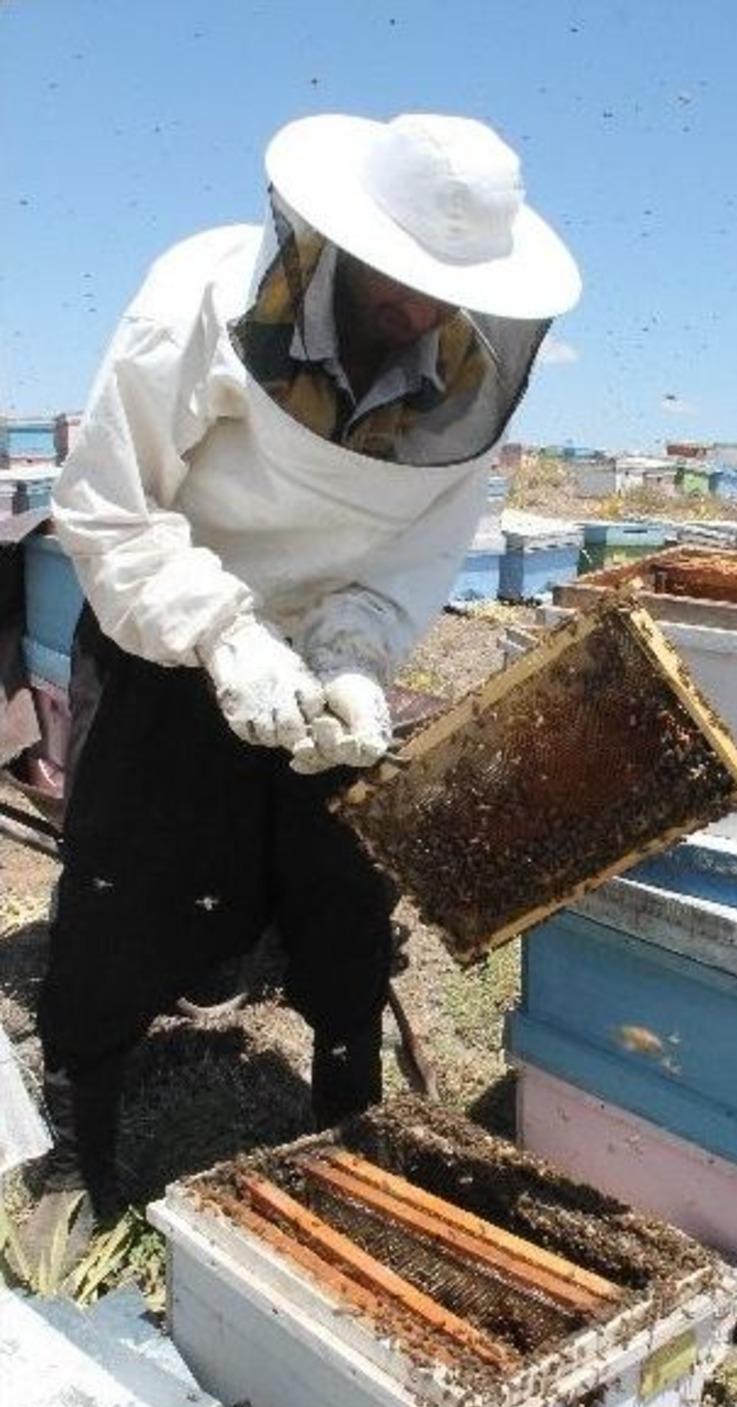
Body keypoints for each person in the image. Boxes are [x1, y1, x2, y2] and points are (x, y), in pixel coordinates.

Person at [24, 111, 581, 1258]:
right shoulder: (198, 300)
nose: (419, 316)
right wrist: (224, 637)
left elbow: (408, 556)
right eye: (400, 284)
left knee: (343, 894)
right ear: (340, 238)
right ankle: (85, 1145)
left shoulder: (469, 380)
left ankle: (346, 1118)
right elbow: (109, 509)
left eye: (445, 292)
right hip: (164, 632)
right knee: (124, 892)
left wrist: (357, 662)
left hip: (320, 668)